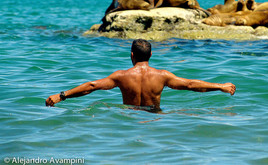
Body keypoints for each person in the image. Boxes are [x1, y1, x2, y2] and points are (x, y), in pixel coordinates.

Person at [45, 39, 236, 110]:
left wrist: (61, 96)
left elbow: (92, 86)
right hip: (155, 119)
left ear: (131, 55)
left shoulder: (120, 76)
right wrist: (220, 86)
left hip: (127, 120)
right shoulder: (162, 76)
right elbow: (190, 85)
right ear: (151, 55)